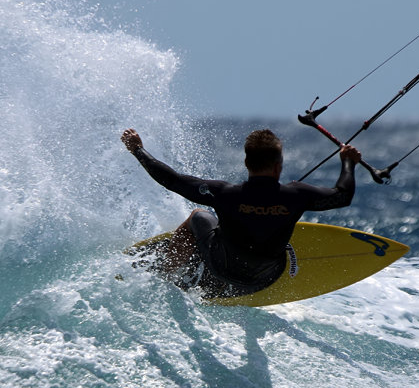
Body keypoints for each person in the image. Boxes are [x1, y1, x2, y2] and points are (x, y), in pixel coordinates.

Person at [121, 127, 362, 297]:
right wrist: (348, 162)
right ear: (279, 166)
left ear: (247, 164)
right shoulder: (297, 195)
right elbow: (343, 196)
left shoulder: (224, 193)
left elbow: (171, 180)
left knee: (199, 216)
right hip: (264, 279)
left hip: (220, 267)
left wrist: (138, 150)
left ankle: (165, 272)